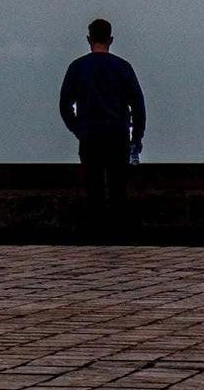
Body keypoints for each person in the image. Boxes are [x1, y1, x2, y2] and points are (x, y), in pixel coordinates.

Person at [59, 18, 146, 237]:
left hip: (90, 135)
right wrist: (135, 138)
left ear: (89, 39)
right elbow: (138, 106)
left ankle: (96, 232)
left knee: (94, 187)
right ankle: (118, 233)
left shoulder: (78, 67)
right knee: (118, 188)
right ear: (111, 39)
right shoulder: (123, 67)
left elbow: (65, 105)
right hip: (117, 135)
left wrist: (78, 128)